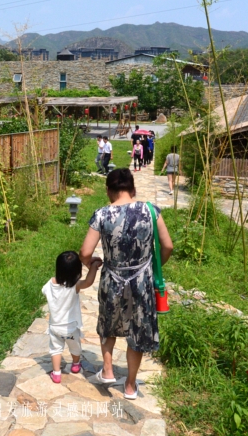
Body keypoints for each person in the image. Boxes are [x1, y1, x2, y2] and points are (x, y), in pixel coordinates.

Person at [79, 169, 173, 399]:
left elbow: (85, 252)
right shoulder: (151, 211)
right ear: (133, 189)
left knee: (108, 323)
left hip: (112, 277)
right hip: (142, 281)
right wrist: (151, 266)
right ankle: (130, 385)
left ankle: (108, 370)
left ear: (109, 191)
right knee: (138, 330)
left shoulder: (101, 215)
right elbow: (167, 246)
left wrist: (91, 263)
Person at [42, 251, 101, 384]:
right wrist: (93, 267)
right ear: (77, 271)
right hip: (70, 328)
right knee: (75, 347)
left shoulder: (50, 283)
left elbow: (45, 290)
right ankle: (75, 365)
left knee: (55, 349)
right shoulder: (75, 286)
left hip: (55, 327)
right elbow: (89, 281)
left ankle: (56, 373)